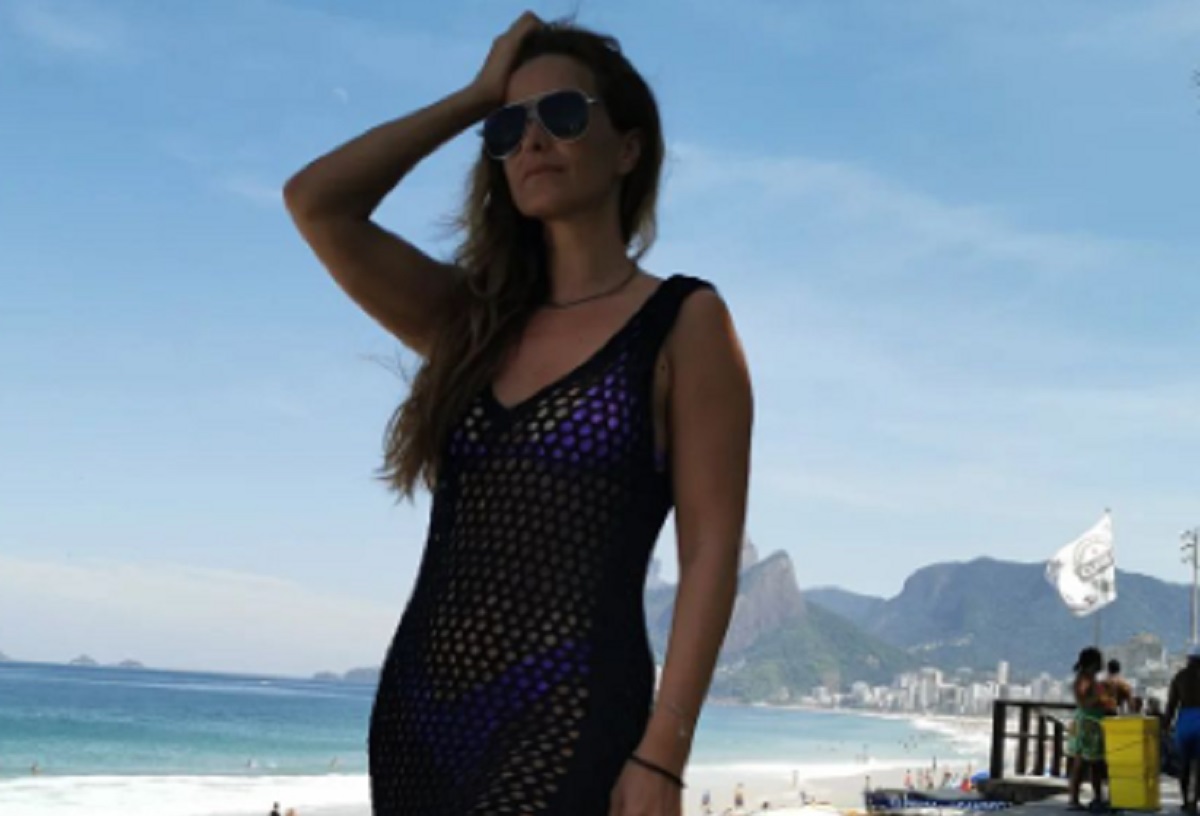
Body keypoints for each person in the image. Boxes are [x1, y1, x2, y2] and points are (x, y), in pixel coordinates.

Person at [284, 12, 752, 816]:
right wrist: (474, 96)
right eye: (509, 127)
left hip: (567, 716)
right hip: (417, 719)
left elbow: (710, 551)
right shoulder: (470, 325)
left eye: (562, 114)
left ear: (628, 149)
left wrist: (664, 755)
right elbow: (316, 203)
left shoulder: (684, 323)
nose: (532, 139)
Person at [1066, 647, 1108, 811]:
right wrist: (1099, 698)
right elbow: (1083, 702)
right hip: (1087, 724)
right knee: (1085, 763)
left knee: (1092, 762)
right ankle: (1076, 799)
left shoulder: (1089, 679)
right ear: (1093, 663)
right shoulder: (1084, 679)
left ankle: (1096, 797)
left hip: (1092, 723)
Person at [1166, 645, 1200, 813]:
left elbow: (1171, 705)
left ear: (1189, 659)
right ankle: (1194, 801)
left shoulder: (1180, 677)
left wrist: (1164, 727)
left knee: (1184, 765)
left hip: (1184, 722)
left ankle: (1186, 801)